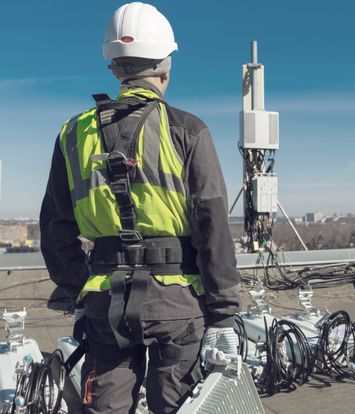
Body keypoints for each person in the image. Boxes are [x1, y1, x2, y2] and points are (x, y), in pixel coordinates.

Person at [39, 3, 241, 413]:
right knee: (181, 406)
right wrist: (223, 315)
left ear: (114, 68)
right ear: (166, 68)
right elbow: (213, 226)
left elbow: (56, 228)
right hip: (177, 305)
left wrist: (80, 287)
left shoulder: (73, 134)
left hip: (105, 305)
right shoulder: (188, 129)